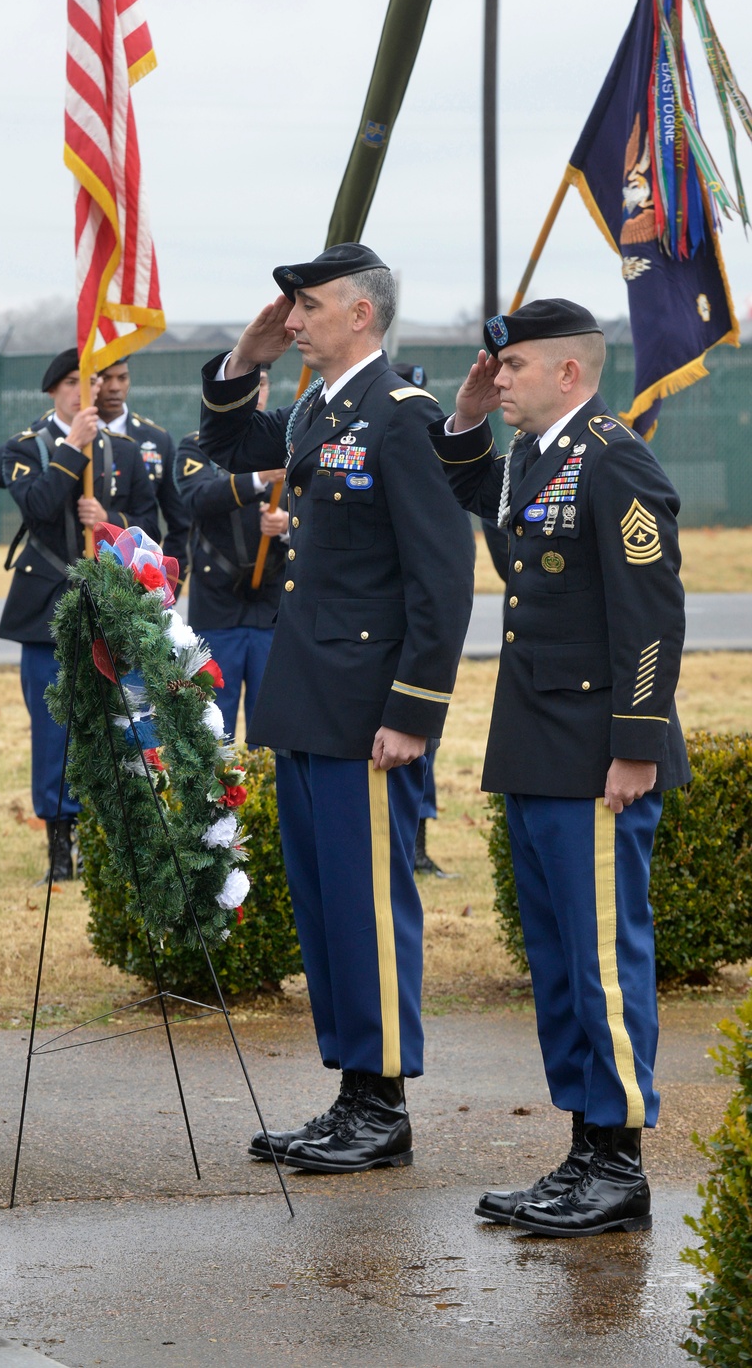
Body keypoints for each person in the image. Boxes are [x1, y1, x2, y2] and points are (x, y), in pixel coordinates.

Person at [199, 243, 475, 1173]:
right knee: (323, 905)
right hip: (308, 695)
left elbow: (442, 578)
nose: (296, 319)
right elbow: (229, 447)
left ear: (361, 313)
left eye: (308, 306)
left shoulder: (402, 416)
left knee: (367, 907)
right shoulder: (320, 407)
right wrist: (247, 361)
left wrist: (413, 711)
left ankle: (385, 1101)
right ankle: (355, 1091)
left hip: (366, 710)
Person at [429, 297, 690, 1236]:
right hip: (538, 746)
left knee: (601, 965)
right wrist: (461, 418)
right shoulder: (541, 458)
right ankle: (584, 1148)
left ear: (568, 373)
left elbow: (652, 613)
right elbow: (483, 499)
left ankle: (619, 1166)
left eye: (514, 368)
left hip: (593, 756)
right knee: (555, 963)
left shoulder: (614, 457)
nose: (500, 380)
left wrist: (635, 744)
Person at [0, 348, 159, 881]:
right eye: (71, 382)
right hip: (47, 608)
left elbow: (151, 526)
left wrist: (109, 518)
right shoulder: (24, 449)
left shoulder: (127, 451)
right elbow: (39, 506)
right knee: (54, 729)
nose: (82, 391)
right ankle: (60, 850)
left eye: (90, 380)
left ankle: (112, 839)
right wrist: (72, 450)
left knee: (119, 723)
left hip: (109, 608)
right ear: (53, 392)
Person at [175, 367, 288, 740]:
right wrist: (261, 479)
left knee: (270, 725)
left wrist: (286, 525)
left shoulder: (291, 445)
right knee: (211, 724)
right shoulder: (198, 446)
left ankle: (267, 798)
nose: (257, 392)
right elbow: (198, 498)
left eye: (262, 384)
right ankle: (214, 798)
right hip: (218, 606)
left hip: (272, 605)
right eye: (248, 385)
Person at [94, 358, 190, 575]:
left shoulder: (156, 440)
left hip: (136, 579)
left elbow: (179, 521)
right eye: (105, 378)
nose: (115, 387)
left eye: (122, 377)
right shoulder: (69, 438)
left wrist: (168, 580)